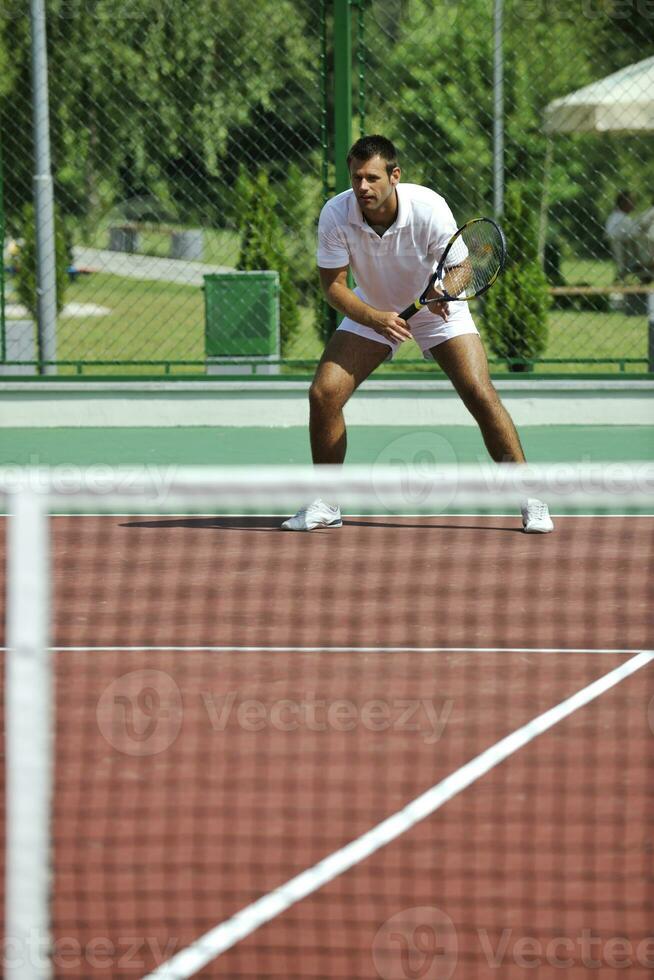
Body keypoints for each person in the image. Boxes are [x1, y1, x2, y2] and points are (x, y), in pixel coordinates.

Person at [281, 135, 553, 533]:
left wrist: (446, 289)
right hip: (372, 308)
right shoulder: (336, 214)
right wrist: (375, 317)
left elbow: (462, 268)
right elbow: (334, 288)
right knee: (324, 393)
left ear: (395, 175)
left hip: (436, 310)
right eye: (356, 177)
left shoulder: (429, 208)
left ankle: (530, 496)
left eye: (372, 178)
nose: (362, 187)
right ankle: (326, 500)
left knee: (479, 392)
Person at [605, 190, 636, 279]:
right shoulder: (623, 220)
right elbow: (636, 235)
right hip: (631, 256)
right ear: (624, 203)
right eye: (631, 201)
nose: (634, 204)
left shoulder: (612, 217)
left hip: (621, 256)